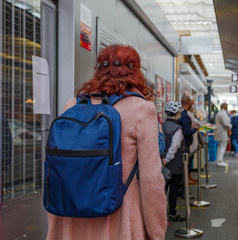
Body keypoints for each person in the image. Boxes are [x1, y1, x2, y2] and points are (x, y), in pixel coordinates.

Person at [46, 45, 167, 240]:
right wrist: (156, 232)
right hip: (119, 219)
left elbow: (57, 170)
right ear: (135, 71)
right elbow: (151, 181)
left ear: (99, 70)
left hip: (71, 219)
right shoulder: (142, 109)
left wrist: (55, 228)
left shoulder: (72, 106)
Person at [161, 101, 186, 222]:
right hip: (174, 163)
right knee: (173, 189)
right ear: (176, 114)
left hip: (162, 163)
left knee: (162, 189)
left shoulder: (162, 125)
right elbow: (174, 147)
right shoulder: (178, 129)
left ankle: (160, 213)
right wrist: (167, 159)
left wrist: (163, 160)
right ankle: (172, 212)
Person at [179, 96, 199, 183]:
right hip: (185, 143)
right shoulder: (185, 115)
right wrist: (195, 129)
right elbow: (187, 131)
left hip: (181, 143)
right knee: (185, 166)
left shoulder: (180, 113)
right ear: (189, 104)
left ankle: (184, 184)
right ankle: (183, 189)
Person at [214, 103, 232, 167]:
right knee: (223, 146)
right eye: (226, 106)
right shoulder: (223, 113)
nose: (227, 107)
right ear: (225, 106)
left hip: (219, 131)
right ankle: (220, 161)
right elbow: (226, 123)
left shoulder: (219, 113)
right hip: (222, 131)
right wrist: (230, 126)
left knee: (220, 146)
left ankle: (219, 160)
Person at [188, 102, 202, 184]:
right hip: (191, 140)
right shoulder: (188, 114)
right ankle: (187, 178)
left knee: (191, 160)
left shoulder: (191, 114)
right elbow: (196, 123)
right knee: (189, 160)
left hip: (193, 141)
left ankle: (189, 176)